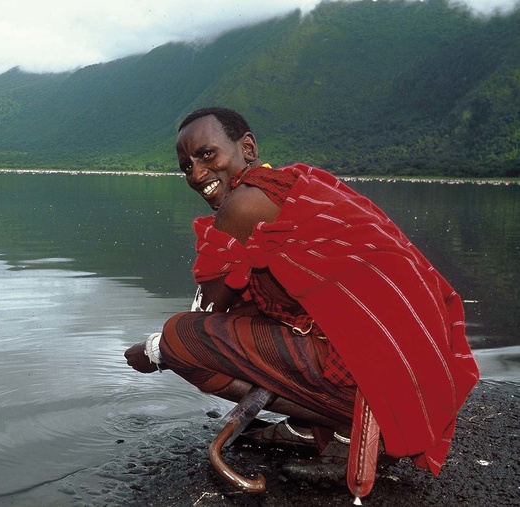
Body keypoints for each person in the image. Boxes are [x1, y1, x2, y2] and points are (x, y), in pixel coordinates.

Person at [124, 107, 479, 482]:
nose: (196, 175)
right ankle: (309, 426)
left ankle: (358, 427)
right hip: (412, 372)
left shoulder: (244, 204)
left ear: (247, 147)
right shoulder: (291, 184)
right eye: (186, 167)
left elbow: (206, 312)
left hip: (389, 385)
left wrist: (155, 351)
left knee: (181, 337)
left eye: (207, 155)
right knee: (251, 312)